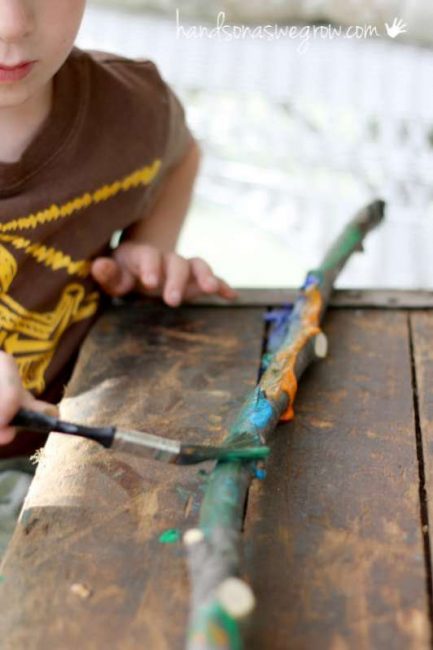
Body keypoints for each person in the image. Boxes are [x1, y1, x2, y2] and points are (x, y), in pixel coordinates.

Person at [0, 0, 237, 454]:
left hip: (65, 453)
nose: (13, 25)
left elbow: (181, 153)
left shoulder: (130, 110)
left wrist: (148, 243)